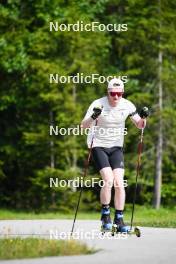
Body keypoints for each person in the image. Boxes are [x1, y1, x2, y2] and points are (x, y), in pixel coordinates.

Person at [81, 78, 149, 232]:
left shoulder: (127, 105)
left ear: (122, 93)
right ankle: (105, 214)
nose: (116, 97)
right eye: (113, 94)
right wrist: (93, 116)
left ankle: (119, 218)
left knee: (119, 183)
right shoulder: (98, 104)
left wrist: (144, 118)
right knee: (108, 180)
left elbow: (139, 125)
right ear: (108, 92)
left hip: (116, 147)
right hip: (98, 145)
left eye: (119, 94)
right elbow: (83, 126)